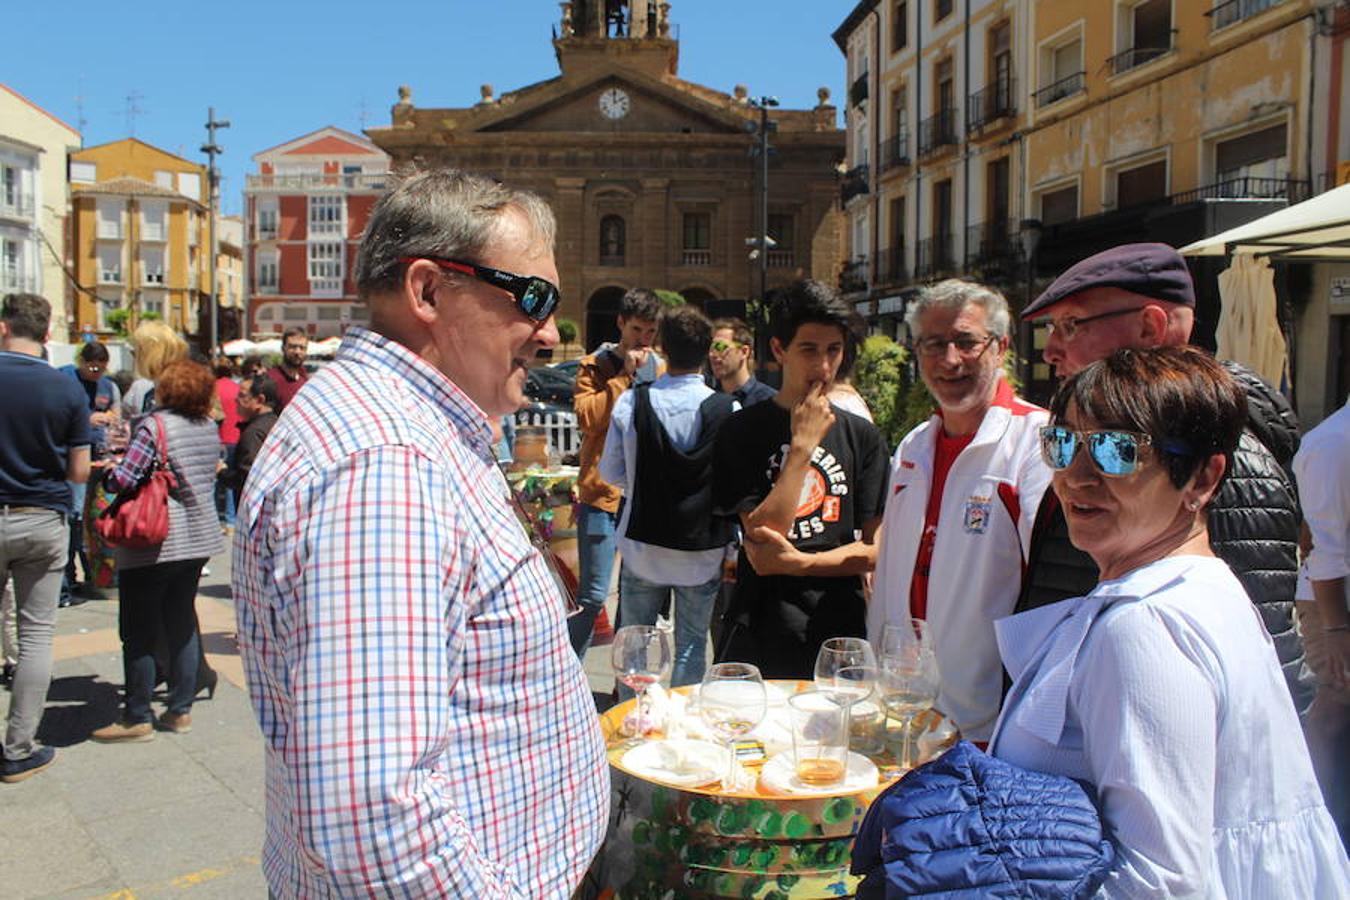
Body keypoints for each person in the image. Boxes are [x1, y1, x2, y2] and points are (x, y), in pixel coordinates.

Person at [232, 170, 608, 896]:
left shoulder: (405, 431)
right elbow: (373, 818)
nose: (552, 330)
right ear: (429, 291)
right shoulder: (386, 464)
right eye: (532, 297)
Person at [993, 346, 1349, 894]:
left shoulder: (1145, 625)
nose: (1075, 475)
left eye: (1116, 450)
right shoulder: (1201, 583)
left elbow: (1157, 882)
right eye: (1061, 443)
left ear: (1203, 479)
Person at [1014, 242, 1312, 715]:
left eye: (1071, 324)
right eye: (1063, 447)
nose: (1051, 349)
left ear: (1150, 327)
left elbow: (1251, 656)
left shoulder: (1222, 452)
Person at [869, 280, 1051, 742]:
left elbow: (1053, 596)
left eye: (967, 342)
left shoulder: (1037, 444)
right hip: (902, 710)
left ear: (1001, 347)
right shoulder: (913, 446)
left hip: (985, 727)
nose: (950, 360)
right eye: (933, 343)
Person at [712, 279, 888, 678]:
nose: (824, 367)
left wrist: (800, 563)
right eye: (809, 350)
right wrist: (802, 446)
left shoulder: (864, 437)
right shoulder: (740, 432)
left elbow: (877, 551)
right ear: (779, 350)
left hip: (838, 633)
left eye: (834, 350)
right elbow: (764, 533)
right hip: (759, 627)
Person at [599, 305, 735, 689]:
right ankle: (680, 731)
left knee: (635, 646)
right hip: (703, 549)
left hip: (644, 544)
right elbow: (731, 483)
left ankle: (631, 725)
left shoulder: (632, 401)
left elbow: (610, 473)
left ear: (662, 347)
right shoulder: (728, 409)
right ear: (708, 350)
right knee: (692, 646)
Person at [91, 360, 224, 742]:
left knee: (138, 629)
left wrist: (110, 469)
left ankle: (137, 715)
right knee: (181, 622)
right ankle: (180, 709)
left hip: (156, 540)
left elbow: (123, 479)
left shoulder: (155, 424)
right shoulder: (207, 426)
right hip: (197, 539)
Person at [0, 293, 91, 782]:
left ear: (2, 328)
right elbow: (79, 471)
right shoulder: (67, 390)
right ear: (48, 334)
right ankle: (18, 749)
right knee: (35, 634)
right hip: (41, 515)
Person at [571, 288, 663, 654]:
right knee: (593, 596)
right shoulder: (595, 365)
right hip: (601, 493)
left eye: (651, 332)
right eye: (638, 330)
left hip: (642, 496)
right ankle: (566, 677)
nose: (643, 340)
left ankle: (627, 684)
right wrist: (624, 378)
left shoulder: (661, 367)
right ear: (621, 323)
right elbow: (588, 418)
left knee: (635, 601)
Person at [1293, 395, 1350, 841]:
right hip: (1333, 604)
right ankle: (1320, 824)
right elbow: (1323, 546)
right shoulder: (1332, 442)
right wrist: (1336, 627)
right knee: (1333, 710)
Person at [58, 341, 122, 605]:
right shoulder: (64, 378)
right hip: (73, 459)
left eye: (102, 368)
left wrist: (112, 418)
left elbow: (116, 412)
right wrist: (86, 419)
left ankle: (95, 575)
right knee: (73, 517)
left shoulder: (109, 386)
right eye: (93, 367)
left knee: (94, 521)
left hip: (100, 460)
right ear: (81, 361)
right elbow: (57, 414)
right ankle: (67, 580)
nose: (96, 373)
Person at [222, 375, 278, 495]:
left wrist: (222, 472)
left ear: (259, 400)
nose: (236, 399)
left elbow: (247, 480)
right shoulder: (276, 423)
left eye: (242, 395)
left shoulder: (253, 433)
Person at [121, 320, 188, 420]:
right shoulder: (188, 381)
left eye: (136, 352)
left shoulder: (143, 387)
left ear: (151, 354)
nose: (134, 358)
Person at [708, 317, 776, 407]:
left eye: (720, 346)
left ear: (744, 352)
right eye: (710, 347)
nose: (712, 354)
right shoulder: (708, 400)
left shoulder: (768, 401)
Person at [212, 357, 241, 532]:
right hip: (236, 437)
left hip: (218, 438)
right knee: (230, 479)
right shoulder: (237, 388)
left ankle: (215, 520)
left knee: (214, 482)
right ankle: (231, 520)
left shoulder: (212, 388)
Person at [265, 328, 309, 411]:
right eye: (292, 347)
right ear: (283, 348)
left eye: (302, 348)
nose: (297, 352)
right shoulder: (271, 380)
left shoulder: (305, 379)